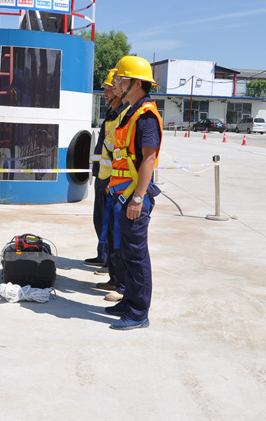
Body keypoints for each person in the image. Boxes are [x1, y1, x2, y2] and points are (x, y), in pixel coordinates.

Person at [103, 56, 163, 330]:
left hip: (134, 196)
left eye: (121, 79)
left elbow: (148, 159)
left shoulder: (145, 116)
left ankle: (139, 312)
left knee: (137, 256)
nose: (116, 83)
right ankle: (129, 300)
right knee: (127, 253)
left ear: (137, 84)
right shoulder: (130, 111)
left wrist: (138, 198)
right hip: (123, 193)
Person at [85, 70, 127, 283]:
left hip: (112, 180)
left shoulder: (122, 115)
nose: (105, 92)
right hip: (103, 176)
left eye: (108, 89)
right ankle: (104, 256)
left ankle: (112, 266)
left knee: (110, 226)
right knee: (101, 222)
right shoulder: (111, 113)